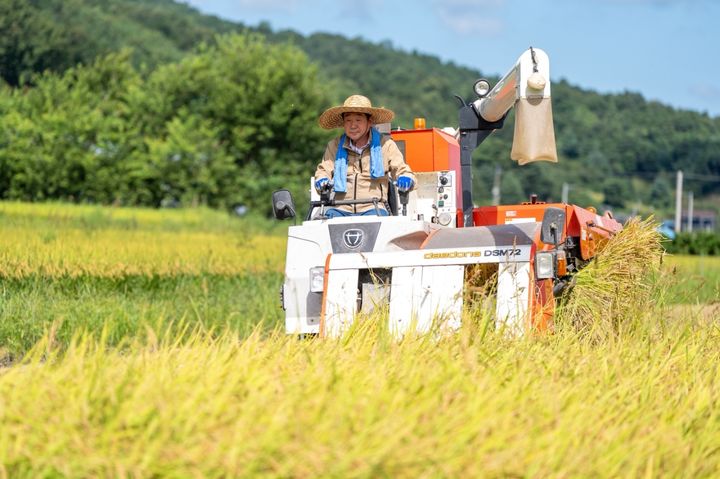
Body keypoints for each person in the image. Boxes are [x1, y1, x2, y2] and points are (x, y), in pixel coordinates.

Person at [314, 95, 415, 217]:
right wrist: (321, 180)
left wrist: (405, 178)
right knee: (321, 221)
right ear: (343, 123)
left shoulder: (385, 145)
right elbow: (323, 171)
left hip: (374, 207)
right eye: (348, 120)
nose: (353, 125)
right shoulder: (334, 145)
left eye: (358, 120)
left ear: (369, 122)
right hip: (340, 208)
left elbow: (402, 170)